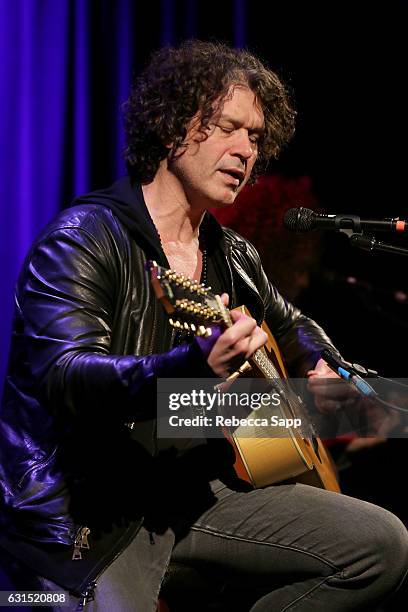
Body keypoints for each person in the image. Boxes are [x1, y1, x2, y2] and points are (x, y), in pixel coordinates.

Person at [0, 40, 407, 612]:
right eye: (227, 128)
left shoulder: (233, 255)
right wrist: (191, 366)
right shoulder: (83, 238)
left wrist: (334, 372)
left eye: (257, 138)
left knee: (379, 542)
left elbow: (294, 326)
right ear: (171, 129)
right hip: (91, 506)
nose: (247, 151)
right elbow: (65, 378)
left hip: (193, 492)